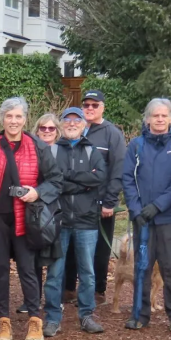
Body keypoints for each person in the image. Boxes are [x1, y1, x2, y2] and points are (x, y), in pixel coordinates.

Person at [0, 98, 63, 340]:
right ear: (1, 119)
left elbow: (56, 180)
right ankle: (3, 321)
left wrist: (37, 192)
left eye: (18, 116)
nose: (13, 121)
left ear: (25, 119)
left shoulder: (37, 146)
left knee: (28, 270)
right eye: (9, 116)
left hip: (26, 218)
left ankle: (35, 321)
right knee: (0, 271)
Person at [121, 98, 171, 332]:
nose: (159, 119)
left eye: (164, 115)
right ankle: (139, 314)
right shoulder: (136, 145)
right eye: (155, 115)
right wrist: (135, 209)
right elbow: (128, 178)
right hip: (142, 218)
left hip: (169, 217)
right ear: (147, 119)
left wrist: (158, 206)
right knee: (142, 267)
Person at [40, 107, 107, 338]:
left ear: (83, 125)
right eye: (67, 120)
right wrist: (82, 183)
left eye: (76, 120)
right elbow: (52, 182)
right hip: (58, 220)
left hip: (86, 220)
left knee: (87, 272)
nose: (71, 124)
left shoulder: (91, 150)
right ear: (61, 124)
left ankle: (86, 315)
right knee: (55, 272)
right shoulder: (52, 150)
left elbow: (99, 177)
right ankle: (52, 318)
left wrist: (67, 176)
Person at [64, 89, 126, 305]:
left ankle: (98, 290)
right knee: (71, 245)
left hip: (101, 203)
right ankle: (69, 288)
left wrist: (110, 201)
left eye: (94, 105)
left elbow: (118, 169)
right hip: (74, 202)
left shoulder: (112, 133)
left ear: (102, 107)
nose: (90, 108)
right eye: (86, 105)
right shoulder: (76, 129)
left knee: (100, 249)